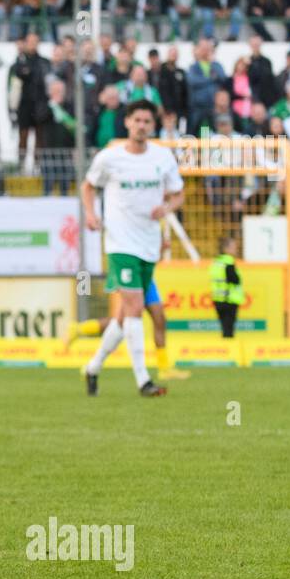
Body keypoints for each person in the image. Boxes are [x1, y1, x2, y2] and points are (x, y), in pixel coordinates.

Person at [80, 100, 183, 397]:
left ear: (153, 126)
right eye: (136, 120)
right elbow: (88, 186)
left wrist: (166, 208)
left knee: (126, 316)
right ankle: (143, 381)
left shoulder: (162, 158)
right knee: (136, 307)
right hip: (120, 243)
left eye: (146, 121)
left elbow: (178, 195)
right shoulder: (109, 158)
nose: (141, 125)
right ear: (127, 123)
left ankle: (94, 366)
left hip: (149, 245)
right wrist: (90, 213)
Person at [65, 238, 190, 381]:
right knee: (121, 321)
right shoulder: (128, 227)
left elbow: (151, 257)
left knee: (159, 318)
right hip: (129, 273)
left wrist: (160, 249)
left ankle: (164, 368)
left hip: (146, 277)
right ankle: (81, 331)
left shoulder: (150, 226)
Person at [211, 233, 243, 338]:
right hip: (229, 299)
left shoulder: (217, 262)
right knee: (229, 330)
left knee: (224, 328)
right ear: (226, 249)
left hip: (218, 299)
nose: (236, 250)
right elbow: (234, 279)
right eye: (234, 247)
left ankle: (227, 350)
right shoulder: (228, 262)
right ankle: (229, 351)